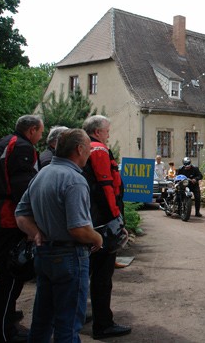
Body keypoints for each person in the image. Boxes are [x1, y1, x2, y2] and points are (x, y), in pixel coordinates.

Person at [15, 129, 103, 341]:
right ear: (79, 149)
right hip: (69, 256)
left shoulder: (42, 174)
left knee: (42, 321)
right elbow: (78, 229)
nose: (90, 153)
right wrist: (97, 238)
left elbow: (21, 214)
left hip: (44, 255)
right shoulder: (74, 179)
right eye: (89, 149)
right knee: (68, 324)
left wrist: (36, 233)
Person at [0, 114, 44, 343]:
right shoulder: (22, 147)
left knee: (10, 278)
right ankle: (1, 334)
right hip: (10, 220)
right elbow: (24, 190)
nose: (41, 136)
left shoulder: (3, 142)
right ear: (31, 130)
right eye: (40, 131)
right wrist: (34, 224)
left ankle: (7, 327)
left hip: (0, 216)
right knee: (11, 277)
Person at [82, 115, 131, 340]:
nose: (109, 134)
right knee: (102, 276)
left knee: (87, 273)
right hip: (102, 222)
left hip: (91, 219)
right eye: (108, 130)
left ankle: (82, 315)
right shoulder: (99, 150)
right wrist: (116, 218)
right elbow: (105, 186)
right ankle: (103, 325)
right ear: (98, 131)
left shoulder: (86, 149)